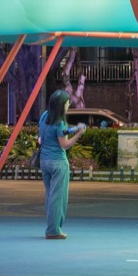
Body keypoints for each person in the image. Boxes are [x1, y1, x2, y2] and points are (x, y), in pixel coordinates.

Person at [38, 90, 86, 239]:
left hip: (44, 161)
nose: (68, 105)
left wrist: (73, 129)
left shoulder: (45, 116)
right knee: (58, 198)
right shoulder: (60, 122)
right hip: (58, 162)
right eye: (67, 103)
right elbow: (64, 144)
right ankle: (53, 230)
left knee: (50, 196)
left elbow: (52, 135)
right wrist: (78, 134)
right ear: (62, 105)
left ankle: (52, 226)